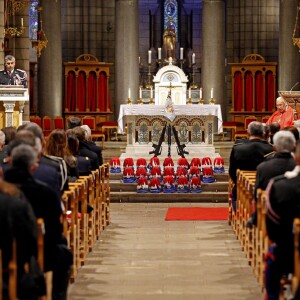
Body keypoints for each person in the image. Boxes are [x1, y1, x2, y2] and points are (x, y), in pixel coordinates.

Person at [4, 144, 72, 300]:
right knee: (64, 255)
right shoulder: (45, 193)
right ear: (34, 167)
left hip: (5, 253)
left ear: (9, 162)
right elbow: (55, 229)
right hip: (37, 252)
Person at [265, 141, 300, 299]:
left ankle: (273, 295)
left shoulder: (280, 186)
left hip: (289, 255)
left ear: (296, 158)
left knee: (275, 252)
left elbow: (272, 228)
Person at [246, 130, 296, 228]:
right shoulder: (296, 165)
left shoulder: (263, 167)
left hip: (273, 218)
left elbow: (257, 195)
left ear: (274, 147)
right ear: (294, 146)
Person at [228, 121, 273, 209]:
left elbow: (232, 171)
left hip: (242, 188)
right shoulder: (271, 149)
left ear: (248, 133)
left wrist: (239, 183)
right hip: (264, 189)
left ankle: (238, 211)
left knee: (235, 195)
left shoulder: (238, 148)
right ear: (263, 133)